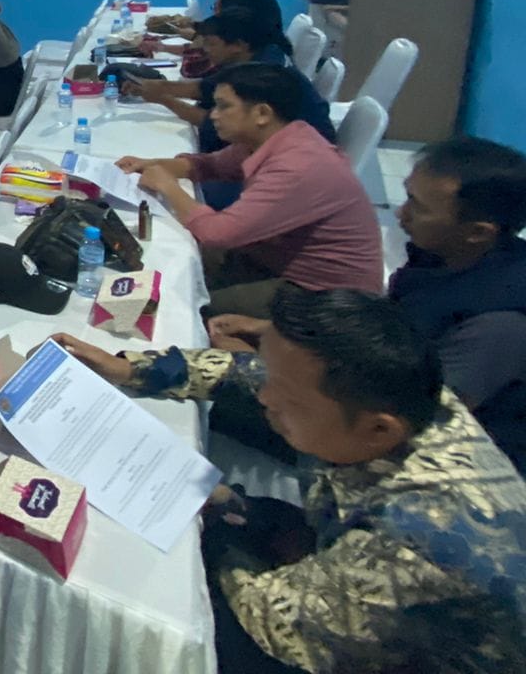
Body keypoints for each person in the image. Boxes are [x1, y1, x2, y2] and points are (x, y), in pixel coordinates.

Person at [56, 286, 526, 674]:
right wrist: (133, 368)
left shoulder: (413, 541)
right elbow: (253, 373)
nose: (264, 396)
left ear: (379, 430)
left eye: (286, 396)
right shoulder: (399, 397)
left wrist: (211, 524)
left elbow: (270, 624)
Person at [117, 64, 381, 316]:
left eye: (224, 106)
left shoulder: (297, 166)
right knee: (173, 260)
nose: (213, 115)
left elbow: (217, 234)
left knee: (179, 304)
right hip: (273, 259)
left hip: (325, 296)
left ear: (262, 113)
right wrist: (151, 164)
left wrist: (168, 186)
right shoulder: (273, 137)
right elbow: (209, 165)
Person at [386, 138, 526, 470]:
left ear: (477, 232)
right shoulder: (445, 257)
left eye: (418, 207)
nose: (401, 213)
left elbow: (419, 422)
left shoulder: (498, 325)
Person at [132, 9, 334, 209]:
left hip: (295, 171)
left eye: (211, 44)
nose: (205, 50)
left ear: (238, 45)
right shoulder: (260, 56)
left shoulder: (263, 72)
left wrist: (163, 98)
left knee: (187, 194)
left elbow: (210, 123)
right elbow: (203, 90)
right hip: (284, 154)